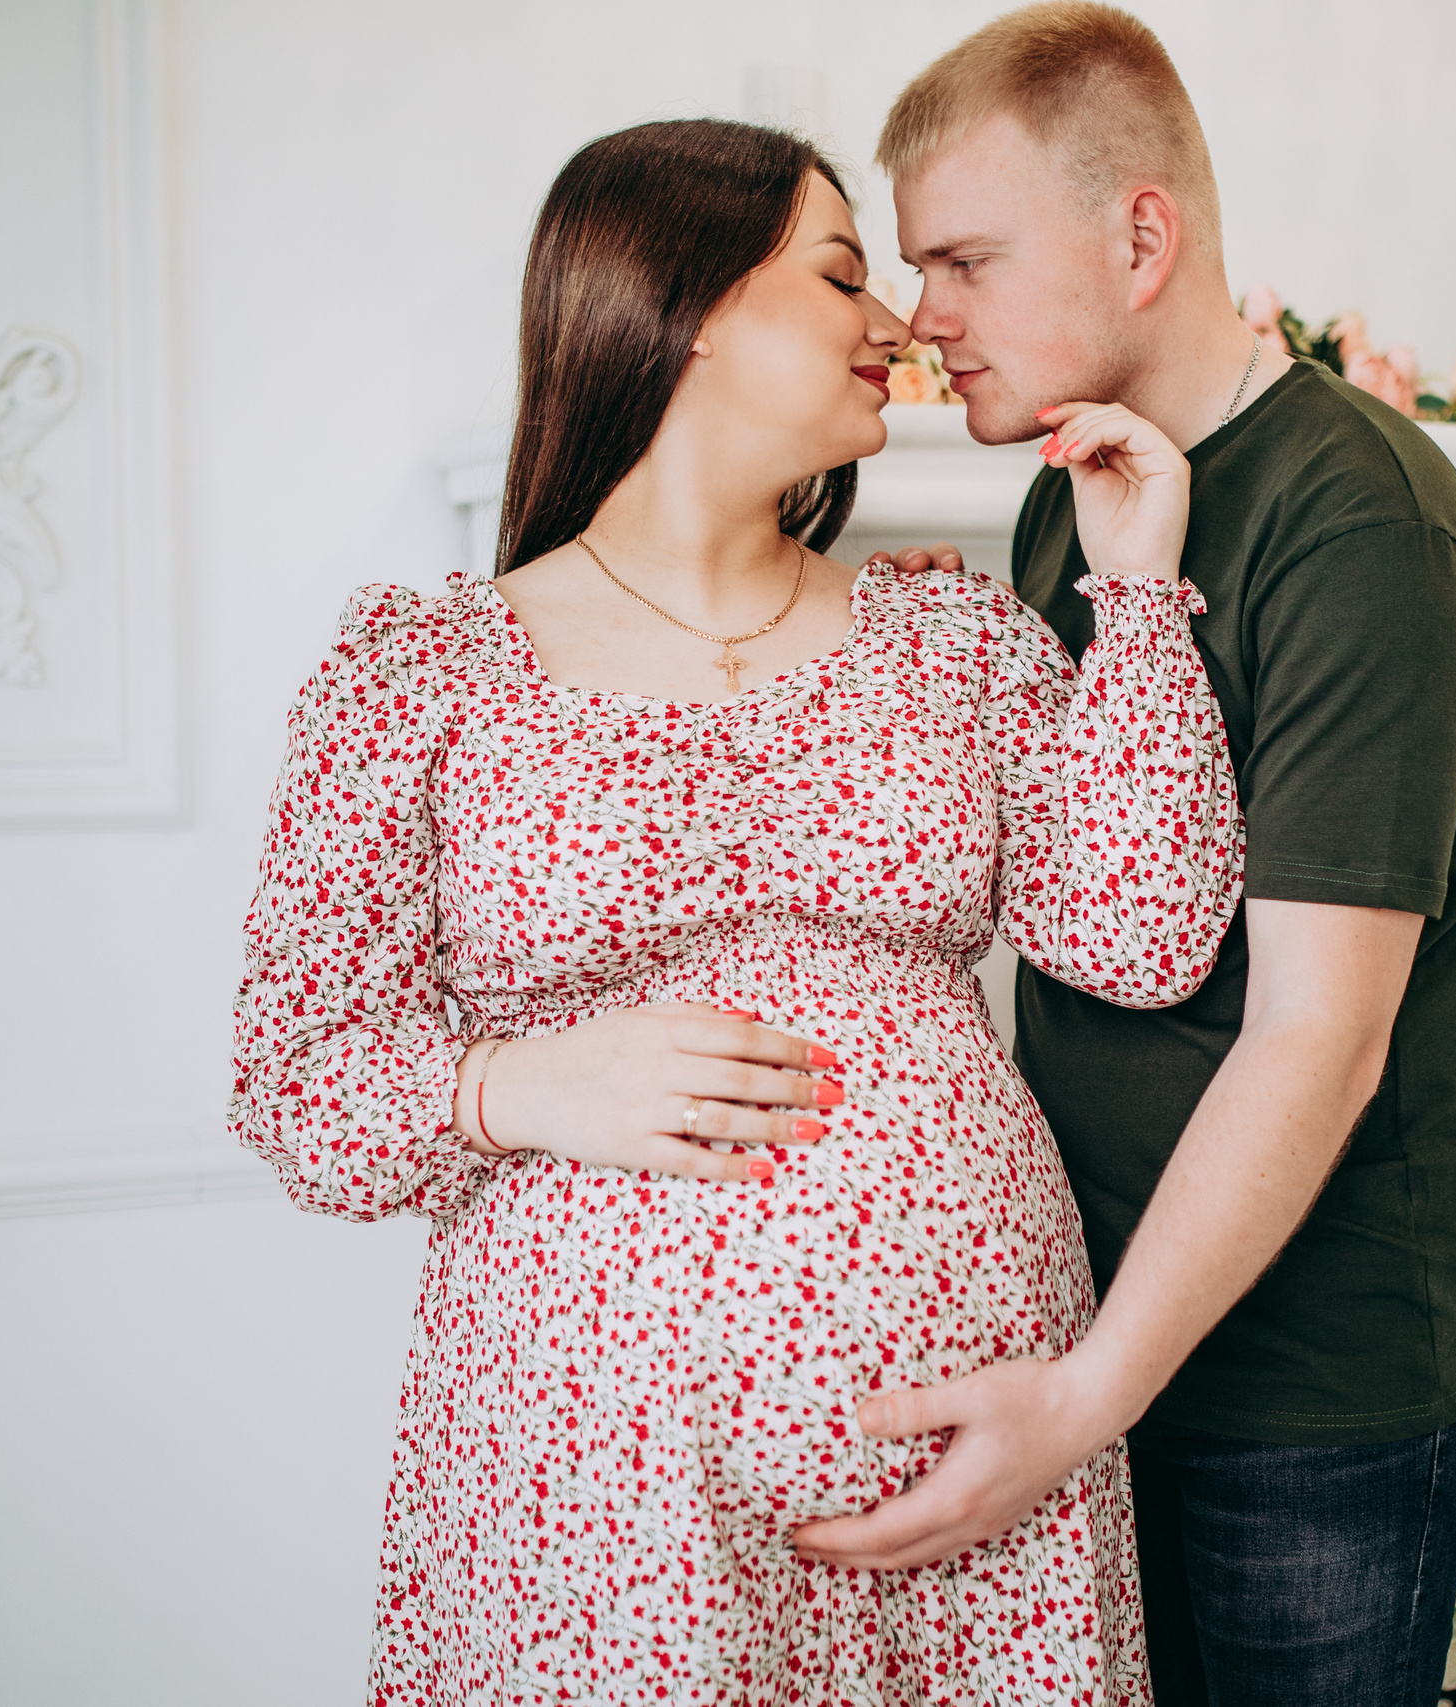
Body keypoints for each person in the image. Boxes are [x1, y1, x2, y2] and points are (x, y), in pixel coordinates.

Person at [229, 116, 1243, 1705]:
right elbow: (299, 1089)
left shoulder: (952, 635)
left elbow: (1140, 930)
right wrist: (518, 1081)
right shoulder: (418, 675)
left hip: (971, 1459)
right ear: (687, 300)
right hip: (600, 1493)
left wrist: (1134, 592)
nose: (901, 323)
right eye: (845, 275)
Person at [790, 9, 1456, 1706]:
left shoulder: (1365, 529)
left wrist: (1083, 1394)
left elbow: (1319, 1037)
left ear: (1143, 235)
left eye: (966, 259)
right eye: (913, 270)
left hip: (1309, 1392)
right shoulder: (1083, 479)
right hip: (1114, 1337)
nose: (924, 318)